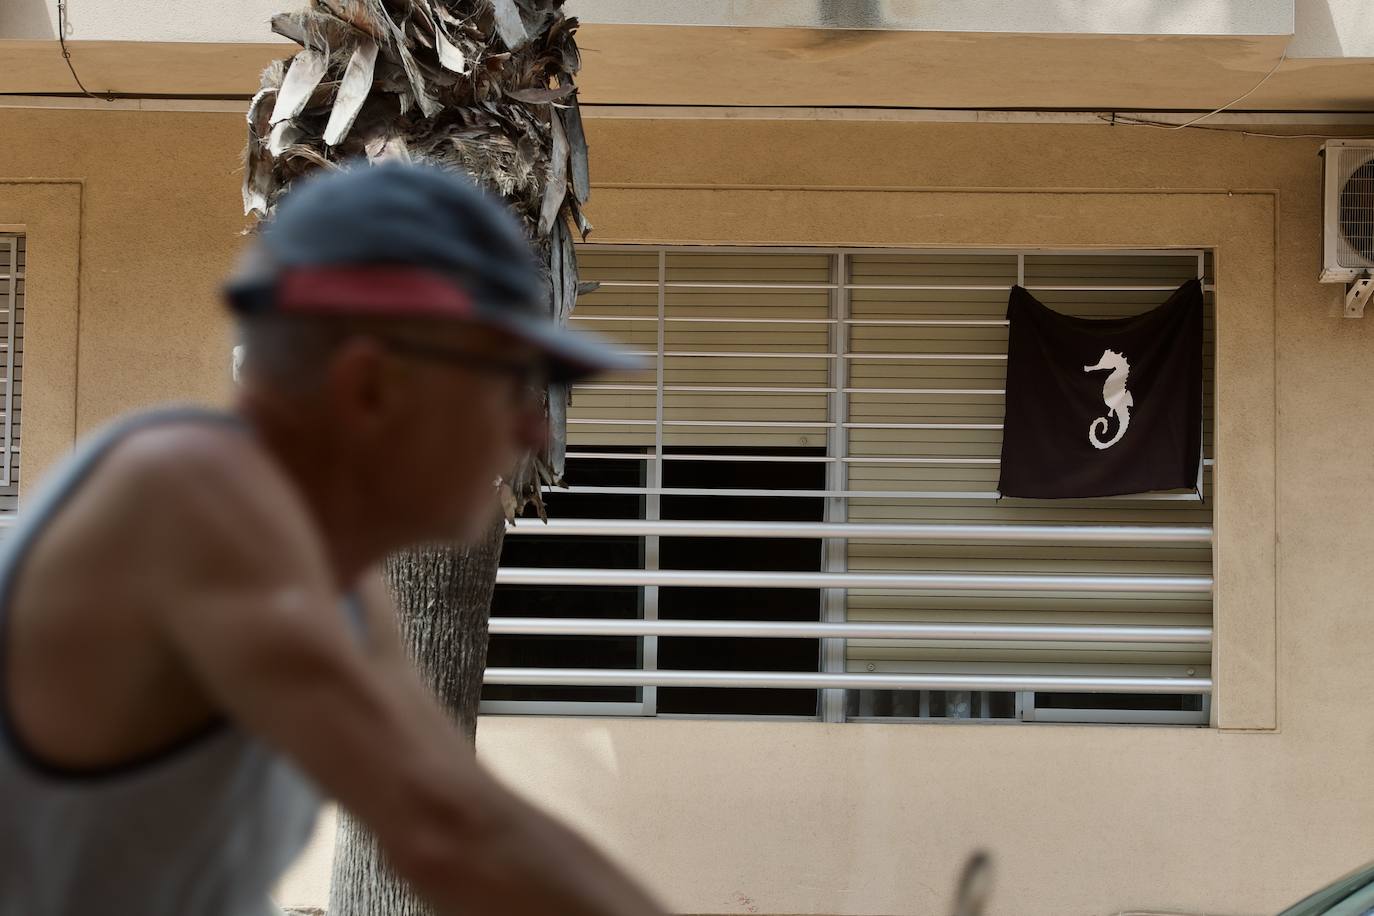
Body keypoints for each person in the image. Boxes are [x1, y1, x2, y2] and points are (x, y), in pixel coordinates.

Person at [0, 162, 666, 916]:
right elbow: (454, 834)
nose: (535, 426)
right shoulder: (190, 502)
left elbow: (461, 806)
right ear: (370, 386)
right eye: (505, 385)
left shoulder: (331, 586)